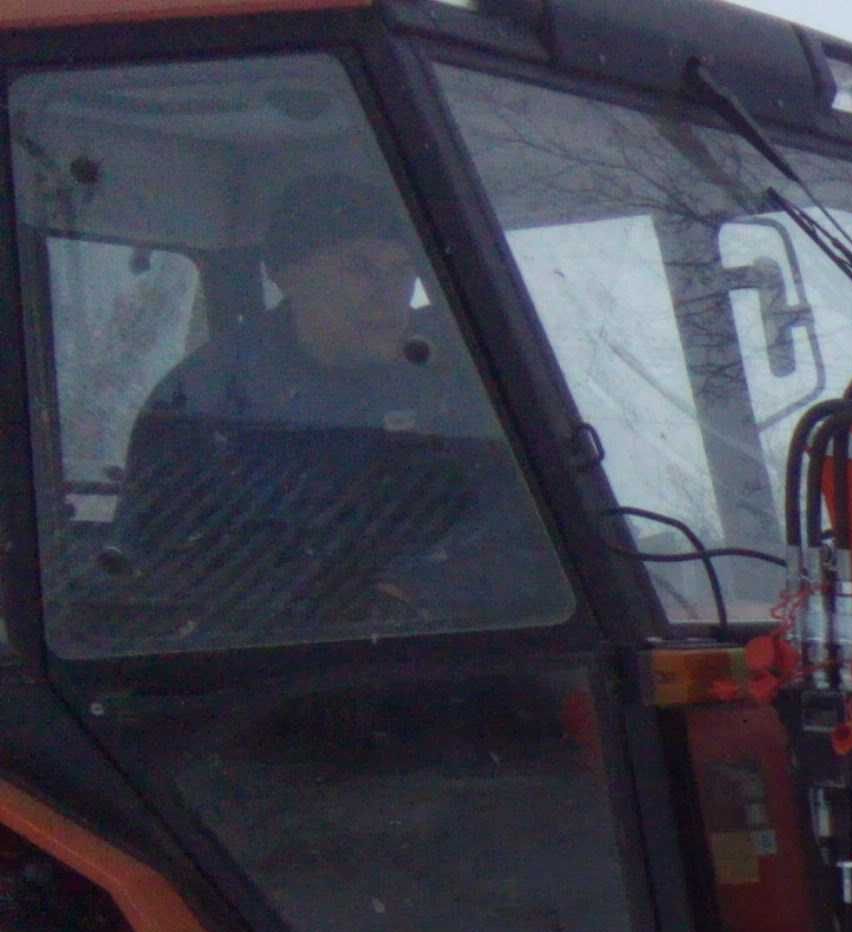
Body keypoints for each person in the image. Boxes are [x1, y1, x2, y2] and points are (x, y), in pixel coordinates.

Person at [115, 172, 563, 646]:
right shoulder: (211, 400)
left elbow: (527, 536)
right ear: (290, 275)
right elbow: (160, 568)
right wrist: (325, 602)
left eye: (400, 270)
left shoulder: (449, 385)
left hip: (443, 648)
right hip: (277, 664)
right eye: (360, 268)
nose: (388, 293)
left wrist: (416, 592)